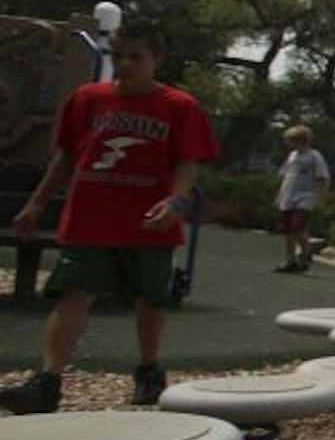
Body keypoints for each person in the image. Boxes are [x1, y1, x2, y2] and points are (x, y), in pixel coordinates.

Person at [0, 21, 219, 413]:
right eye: (118, 56)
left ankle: (149, 370)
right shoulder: (87, 99)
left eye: (136, 57)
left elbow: (188, 162)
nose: (125, 64)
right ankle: (47, 381)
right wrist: (37, 202)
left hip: (148, 220)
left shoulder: (179, 107)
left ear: (157, 59)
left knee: (148, 298)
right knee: (74, 293)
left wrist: (176, 203)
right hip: (91, 215)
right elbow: (66, 156)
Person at [272, 124, 332, 273]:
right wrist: (279, 196)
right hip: (288, 196)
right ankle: (290, 260)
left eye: (291, 141)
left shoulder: (314, 156)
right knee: (288, 231)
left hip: (306, 196)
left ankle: (305, 256)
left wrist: (321, 198)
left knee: (297, 227)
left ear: (301, 140)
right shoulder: (292, 156)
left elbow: (323, 178)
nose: (289, 144)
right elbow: (286, 176)